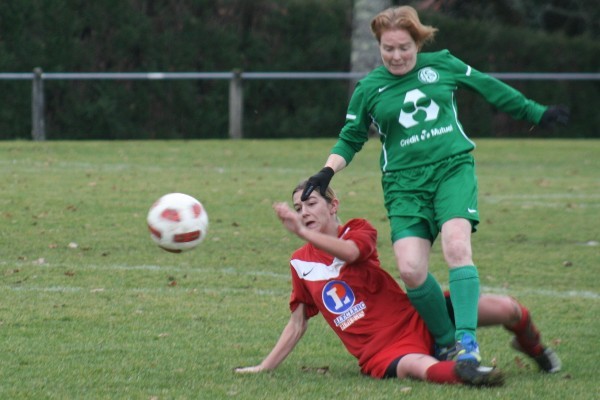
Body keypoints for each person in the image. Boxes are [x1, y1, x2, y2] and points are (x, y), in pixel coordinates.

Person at [299, 5, 569, 377]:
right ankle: (446, 341)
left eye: (404, 48)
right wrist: (327, 171)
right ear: (379, 47)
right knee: (410, 270)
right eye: (388, 49)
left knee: (457, 245)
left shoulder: (442, 64)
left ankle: (467, 344)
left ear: (417, 42)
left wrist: (536, 112)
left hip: (451, 169)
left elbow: (489, 86)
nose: (396, 56)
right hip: (403, 186)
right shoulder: (368, 89)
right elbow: (351, 138)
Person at [234, 182, 560, 386]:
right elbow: (297, 325)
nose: (303, 211)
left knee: (507, 309)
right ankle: (470, 375)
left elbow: (350, 253)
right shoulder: (300, 263)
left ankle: (534, 348)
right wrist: (264, 367)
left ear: (334, 206)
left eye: (311, 203)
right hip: (381, 351)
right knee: (420, 367)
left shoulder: (357, 230)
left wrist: (302, 231)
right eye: (298, 208)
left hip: (418, 316)